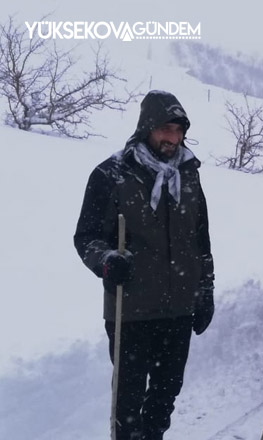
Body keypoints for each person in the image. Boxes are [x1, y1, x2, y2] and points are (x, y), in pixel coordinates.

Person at [74, 90, 215, 440]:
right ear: (147, 127)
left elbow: (201, 241)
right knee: (127, 402)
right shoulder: (112, 174)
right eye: (165, 129)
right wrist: (106, 261)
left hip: (179, 308)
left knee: (166, 395)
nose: (173, 138)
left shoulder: (189, 175)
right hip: (132, 309)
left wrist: (206, 289)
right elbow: (86, 236)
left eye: (179, 130)